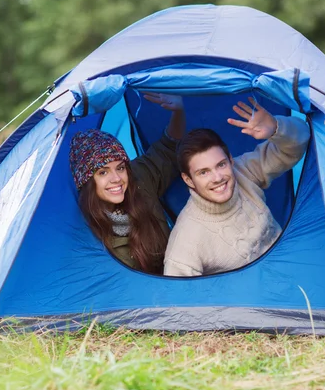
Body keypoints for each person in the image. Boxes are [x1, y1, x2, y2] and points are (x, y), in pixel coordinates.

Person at [163, 97, 310, 277]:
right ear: (188, 180)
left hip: (295, 271)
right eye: (203, 172)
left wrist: (276, 128)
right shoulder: (186, 240)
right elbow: (180, 300)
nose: (217, 178)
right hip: (258, 303)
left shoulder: (243, 171)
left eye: (221, 165)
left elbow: (301, 139)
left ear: (231, 160)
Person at [70, 93, 185, 274]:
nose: (116, 178)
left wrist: (178, 111)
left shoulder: (138, 180)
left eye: (120, 168)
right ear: (87, 180)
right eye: (103, 172)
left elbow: (168, 149)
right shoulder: (82, 228)